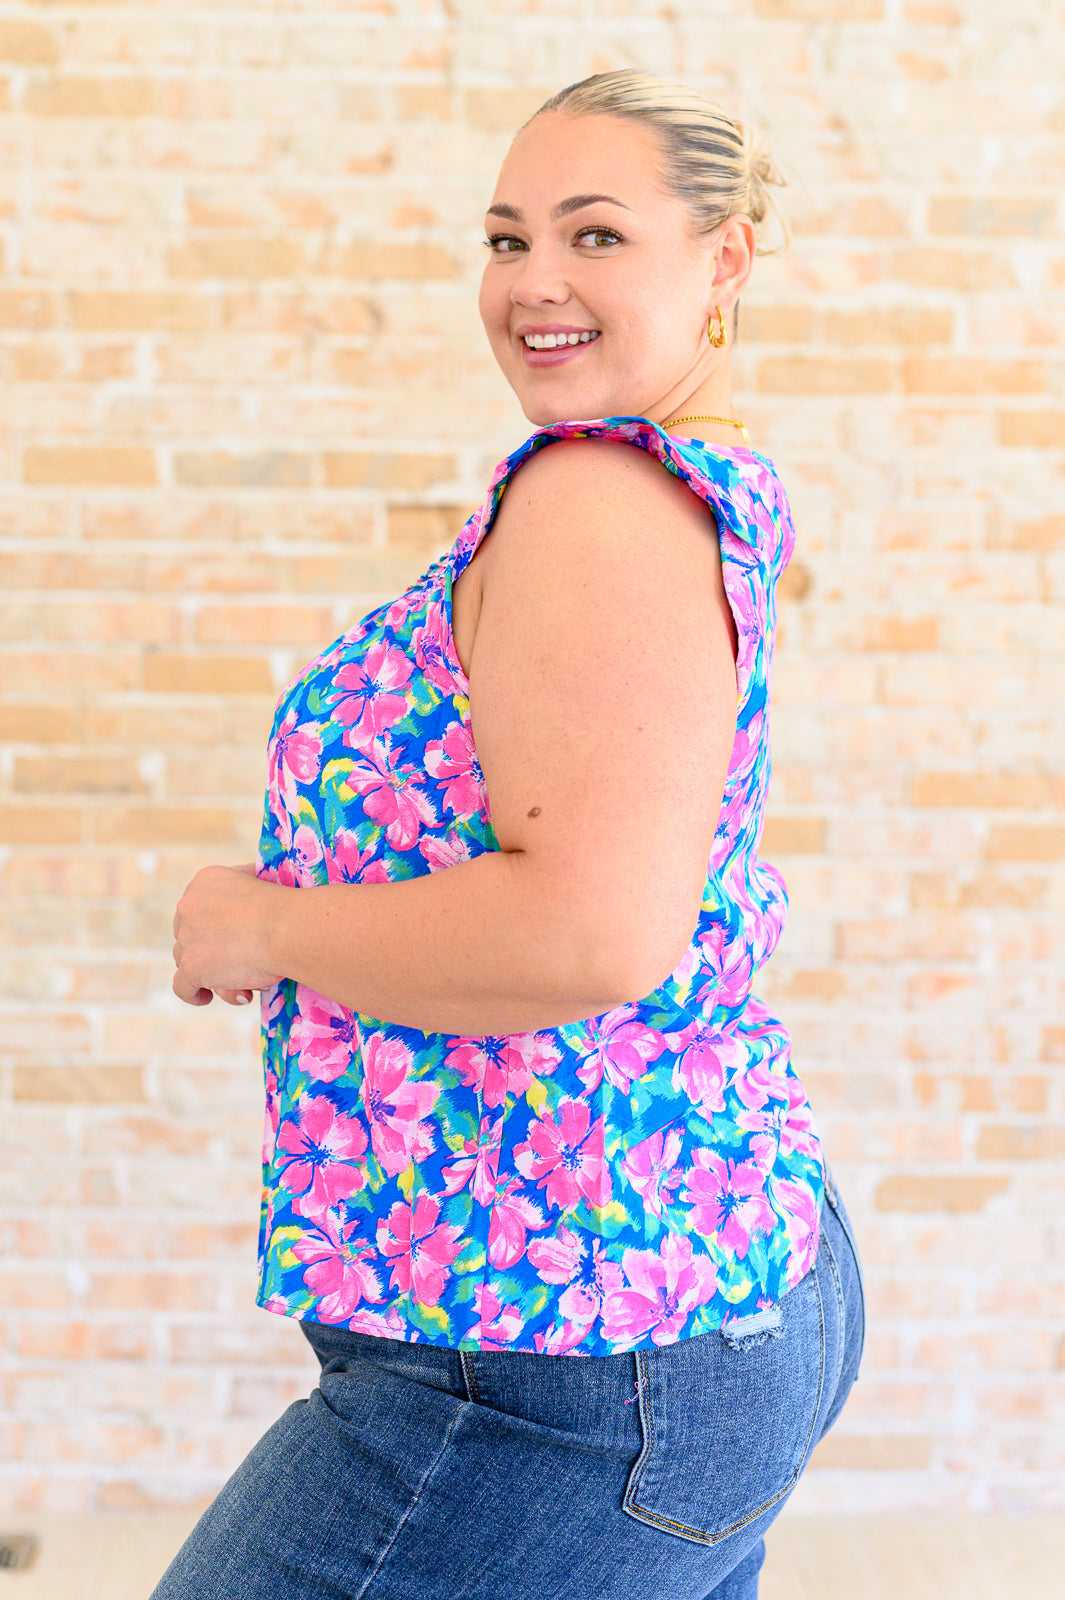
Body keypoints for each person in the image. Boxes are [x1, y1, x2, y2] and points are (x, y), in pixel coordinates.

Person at [159, 68, 865, 1600]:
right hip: (645, 1305)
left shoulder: (598, 494)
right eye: (505, 237)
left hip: (554, 1359)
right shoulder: (679, 488)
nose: (532, 282)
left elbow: (589, 933)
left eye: (596, 235)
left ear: (725, 258)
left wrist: (261, 927)